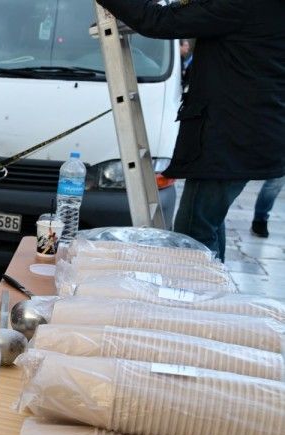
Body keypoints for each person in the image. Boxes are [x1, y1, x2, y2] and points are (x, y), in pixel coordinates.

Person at [95, 0, 285, 262]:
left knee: (193, 233)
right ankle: (213, 295)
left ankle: (199, 298)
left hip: (230, 139)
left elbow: (158, 20)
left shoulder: (241, 5)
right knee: (208, 224)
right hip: (242, 136)